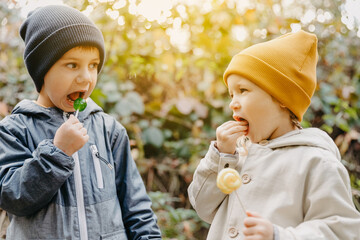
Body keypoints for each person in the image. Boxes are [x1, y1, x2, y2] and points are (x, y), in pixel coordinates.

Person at [0, 5, 161, 239]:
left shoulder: (109, 130)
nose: (86, 77)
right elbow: (11, 197)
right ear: (41, 69)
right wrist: (58, 153)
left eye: (93, 65)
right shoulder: (14, 131)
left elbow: (137, 209)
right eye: (72, 65)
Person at [188, 30, 360, 240]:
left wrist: (278, 236)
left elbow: (340, 231)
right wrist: (220, 157)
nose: (233, 102)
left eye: (243, 90)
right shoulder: (236, 156)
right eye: (231, 94)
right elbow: (203, 208)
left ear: (282, 99)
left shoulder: (316, 162)